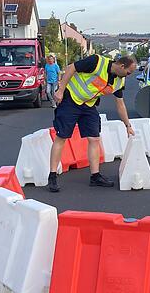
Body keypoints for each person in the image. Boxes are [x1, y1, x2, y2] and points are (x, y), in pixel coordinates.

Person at [48, 54, 137, 191]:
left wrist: (128, 125)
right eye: (128, 72)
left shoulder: (119, 82)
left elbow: (120, 104)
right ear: (121, 66)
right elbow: (71, 68)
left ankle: (95, 176)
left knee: (94, 138)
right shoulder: (97, 62)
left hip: (88, 105)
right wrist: (60, 90)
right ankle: (52, 176)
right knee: (62, 137)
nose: (128, 75)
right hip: (70, 99)